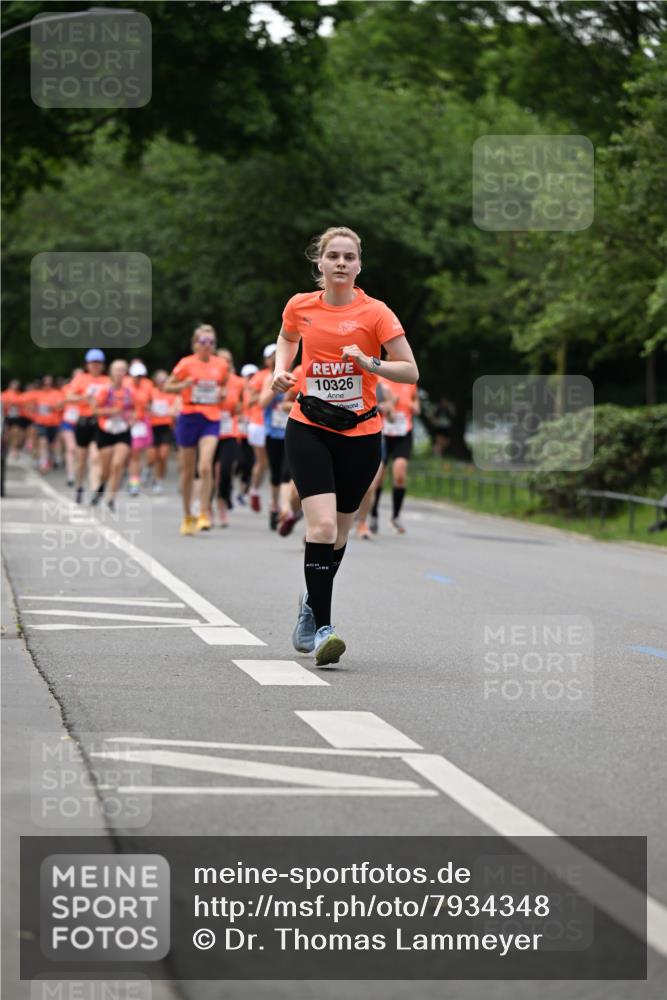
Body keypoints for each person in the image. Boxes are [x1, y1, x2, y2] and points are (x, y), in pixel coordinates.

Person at [272, 226, 418, 666]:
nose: (340, 263)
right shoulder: (301, 306)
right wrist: (281, 370)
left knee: (338, 536)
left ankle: (310, 603)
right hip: (309, 426)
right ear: (319, 262)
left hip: (361, 435)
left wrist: (369, 362)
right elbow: (287, 339)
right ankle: (323, 630)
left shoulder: (377, 314)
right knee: (320, 530)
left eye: (348, 257)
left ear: (358, 265)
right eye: (332, 255)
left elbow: (410, 371)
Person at [164, 324, 229, 535]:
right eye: (203, 342)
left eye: (211, 342)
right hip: (189, 417)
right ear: (195, 344)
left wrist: (222, 395)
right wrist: (184, 385)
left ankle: (203, 512)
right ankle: (187, 515)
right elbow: (167, 386)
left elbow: (224, 386)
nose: (207, 346)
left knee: (205, 466)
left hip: (211, 418)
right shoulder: (186, 364)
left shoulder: (221, 365)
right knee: (187, 471)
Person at [370, 375, 420, 534]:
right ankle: (373, 514)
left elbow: (416, 402)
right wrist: (384, 406)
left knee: (400, 473)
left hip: (403, 433)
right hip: (383, 432)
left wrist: (413, 405)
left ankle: (396, 516)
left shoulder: (410, 379)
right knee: (378, 477)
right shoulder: (379, 378)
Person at [65, 349, 110, 503]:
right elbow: (69, 397)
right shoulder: (81, 379)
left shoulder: (107, 381)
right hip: (84, 420)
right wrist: (84, 397)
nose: (95, 366)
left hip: (99, 421)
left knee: (96, 456)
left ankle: (95, 489)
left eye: (98, 363)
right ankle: (79, 486)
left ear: (102, 365)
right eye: (93, 363)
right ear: (87, 364)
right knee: (82, 459)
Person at [91, 359, 135, 510]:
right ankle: (102, 485)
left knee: (118, 464)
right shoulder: (105, 390)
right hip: (106, 430)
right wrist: (111, 412)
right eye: (116, 370)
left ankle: (111, 498)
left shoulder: (130, 392)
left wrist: (133, 419)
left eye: (122, 370)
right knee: (106, 469)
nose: (119, 373)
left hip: (123, 430)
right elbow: (95, 410)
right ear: (111, 372)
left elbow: (138, 409)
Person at [245, 345, 276, 513]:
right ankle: (254, 490)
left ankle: (275, 501)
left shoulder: (289, 373)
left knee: (277, 464)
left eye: (278, 354)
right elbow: (249, 401)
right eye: (272, 356)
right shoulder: (259, 377)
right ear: (266, 360)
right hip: (259, 422)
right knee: (262, 462)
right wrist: (266, 392)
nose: (276, 358)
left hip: (279, 424)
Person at [145, 369, 176, 494]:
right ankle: (148, 469)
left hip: (166, 426)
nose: (162, 382)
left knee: (163, 455)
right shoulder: (151, 392)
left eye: (164, 380)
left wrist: (170, 412)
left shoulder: (172, 394)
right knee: (153, 456)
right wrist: (149, 410)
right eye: (160, 380)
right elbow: (145, 405)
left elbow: (175, 408)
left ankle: (159, 480)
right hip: (152, 426)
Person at [125, 361, 154, 495]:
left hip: (144, 423)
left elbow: (152, 401)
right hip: (130, 423)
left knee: (149, 454)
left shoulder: (148, 385)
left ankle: (145, 472)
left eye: (141, 376)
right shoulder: (126, 384)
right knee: (134, 453)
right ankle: (134, 482)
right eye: (136, 376)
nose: (138, 379)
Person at [32, 375, 64, 473]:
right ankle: (43, 463)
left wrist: (54, 407)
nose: (47, 385)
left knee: (51, 444)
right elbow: (24, 402)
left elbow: (62, 406)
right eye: (45, 383)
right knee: (43, 441)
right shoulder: (37, 394)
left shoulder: (57, 394)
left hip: (54, 423)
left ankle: (51, 458)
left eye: (49, 383)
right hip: (41, 423)